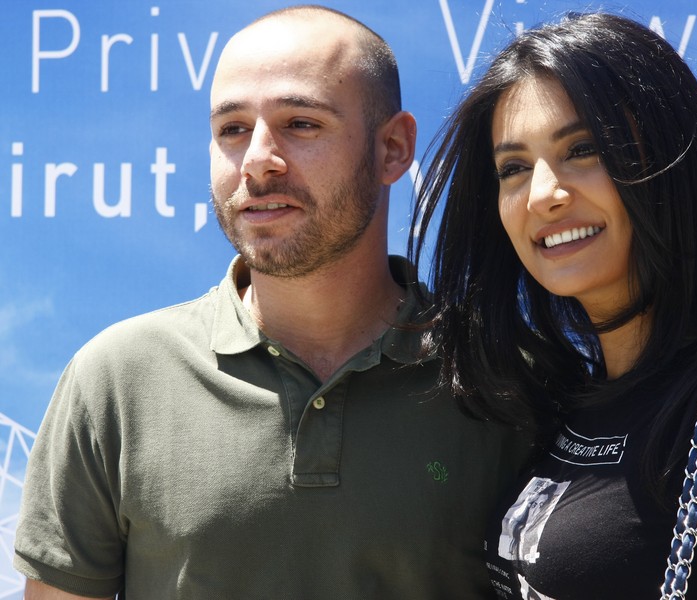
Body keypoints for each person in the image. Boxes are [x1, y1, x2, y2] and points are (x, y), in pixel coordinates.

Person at [14, 6, 531, 599]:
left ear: (393, 149)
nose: (257, 158)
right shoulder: (116, 379)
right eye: (232, 129)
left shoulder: (508, 379)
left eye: (301, 123)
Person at [411, 12, 697, 599]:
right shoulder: (565, 398)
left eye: (583, 148)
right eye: (513, 168)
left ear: (670, 159)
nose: (543, 194)